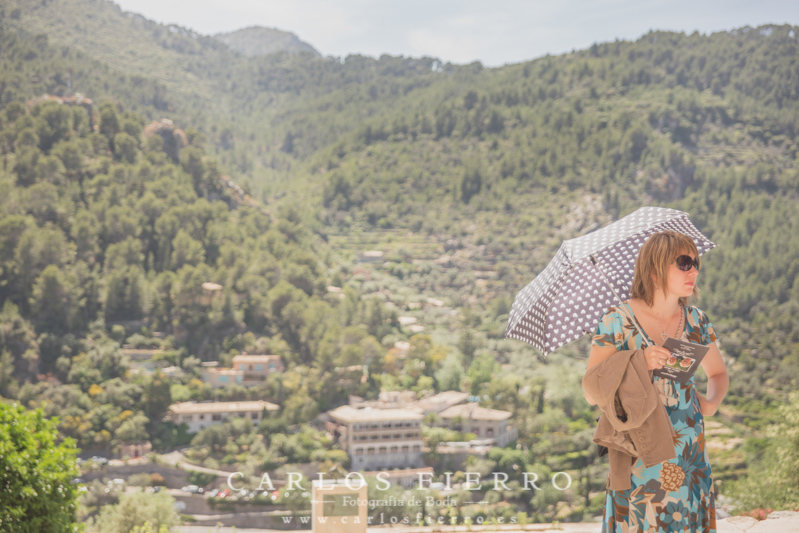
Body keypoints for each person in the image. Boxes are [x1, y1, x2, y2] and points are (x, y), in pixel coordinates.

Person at [583, 230, 729, 533]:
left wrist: (712, 402)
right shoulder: (617, 321)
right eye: (684, 262)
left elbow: (717, 373)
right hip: (641, 454)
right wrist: (638, 361)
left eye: (696, 262)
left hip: (690, 453)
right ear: (654, 269)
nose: (694, 270)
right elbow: (590, 391)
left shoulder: (696, 321)